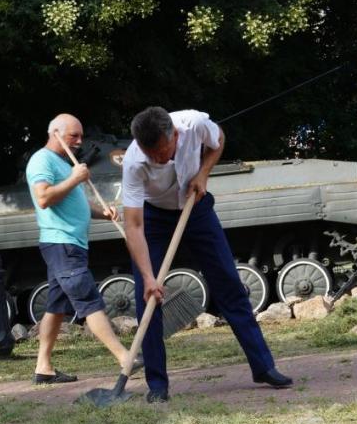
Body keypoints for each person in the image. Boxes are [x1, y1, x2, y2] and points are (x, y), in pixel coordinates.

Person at [122, 107, 293, 402]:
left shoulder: (195, 124)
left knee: (229, 284)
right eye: (153, 156)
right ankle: (157, 386)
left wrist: (203, 172)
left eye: (163, 152)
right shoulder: (134, 161)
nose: (159, 160)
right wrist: (150, 277)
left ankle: (263, 366)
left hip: (196, 208)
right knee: (146, 298)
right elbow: (133, 225)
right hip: (153, 219)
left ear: (175, 135)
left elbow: (219, 140)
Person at [26, 113, 136, 384]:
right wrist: (75, 178)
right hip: (61, 243)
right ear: (55, 134)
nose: (78, 141)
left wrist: (103, 212)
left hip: (70, 242)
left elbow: (75, 204)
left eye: (80, 136)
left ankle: (43, 367)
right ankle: (125, 357)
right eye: (73, 135)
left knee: (56, 305)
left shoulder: (63, 164)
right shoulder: (42, 160)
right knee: (88, 298)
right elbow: (43, 198)